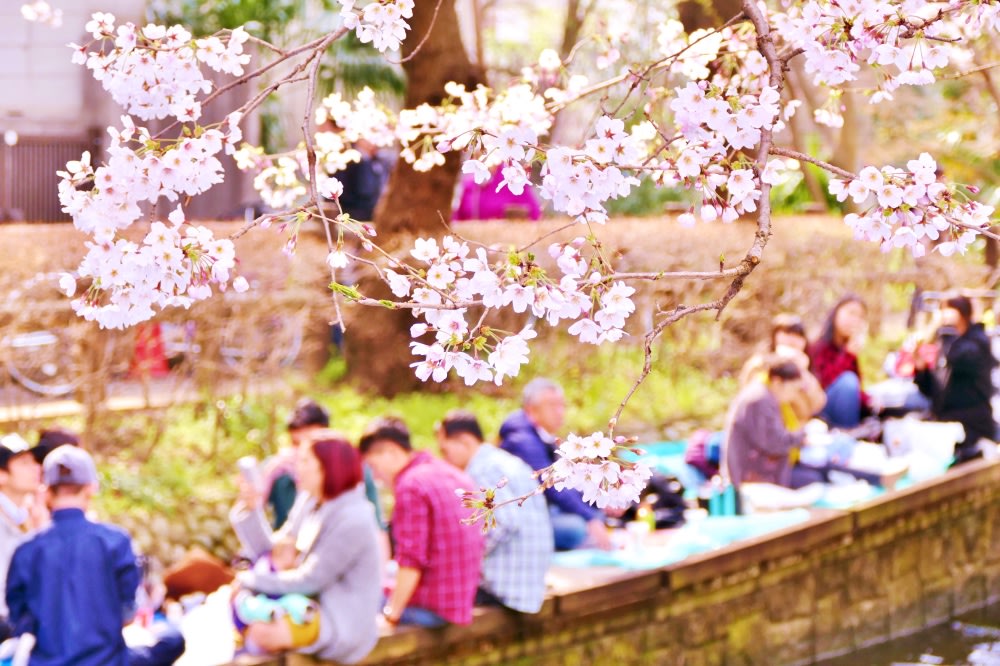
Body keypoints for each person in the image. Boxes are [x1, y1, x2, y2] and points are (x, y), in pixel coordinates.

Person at [5, 445, 185, 666]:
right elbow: (128, 613)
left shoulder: (27, 550)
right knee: (172, 638)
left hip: (47, 662)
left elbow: (19, 619)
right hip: (107, 660)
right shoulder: (115, 541)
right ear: (91, 488)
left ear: (47, 492)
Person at [230, 434, 381, 663]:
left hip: (338, 618)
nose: (297, 467)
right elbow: (274, 550)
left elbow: (311, 580)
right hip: (301, 602)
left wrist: (249, 580)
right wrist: (251, 509)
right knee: (239, 607)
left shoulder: (354, 518)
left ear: (328, 467)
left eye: (305, 461)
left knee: (262, 633)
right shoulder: (310, 501)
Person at [359, 417, 485, 627]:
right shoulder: (450, 472)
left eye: (373, 466)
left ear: (391, 451)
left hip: (434, 609)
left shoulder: (410, 486)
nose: (375, 476)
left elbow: (411, 560)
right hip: (462, 601)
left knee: (357, 596)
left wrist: (391, 615)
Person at [435, 410, 552, 614]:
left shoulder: (481, 469)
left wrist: (464, 555)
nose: (445, 459)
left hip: (504, 588)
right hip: (528, 585)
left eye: (445, 451)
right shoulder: (502, 461)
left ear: (465, 441)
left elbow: (504, 523)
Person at [499, 379, 610, 551]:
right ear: (532, 409)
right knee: (576, 528)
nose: (560, 412)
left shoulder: (541, 436)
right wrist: (590, 518)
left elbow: (564, 483)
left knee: (596, 515)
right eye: (552, 405)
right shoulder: (523, 440)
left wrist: (595, 505)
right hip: (524, 516)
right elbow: (552, 486)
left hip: (544, 508)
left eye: (562, 405)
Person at [264, 399, 383, 531]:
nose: (302, 451)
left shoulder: (355, 471)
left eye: (312, 444)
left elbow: (376, 525)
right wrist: (267, 475)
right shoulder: (279, 469)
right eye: (296, 444)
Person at [914, 295, 997, 465]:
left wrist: (944, 329)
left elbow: (959, 358)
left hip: (972, 424)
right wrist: (922, 370)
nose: (943, 316)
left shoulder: (977, 341)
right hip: (948, 422)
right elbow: (936, 391)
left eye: (948, 311)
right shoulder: (950, 342)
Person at [723, 360, 808, 488]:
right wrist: (803, 437)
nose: (794, 395)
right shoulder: (760, 399)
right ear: (777, 382)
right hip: (750, 479)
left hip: (758, 472)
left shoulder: (764, 393)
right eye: (793, 389)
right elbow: (774, 443)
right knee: (814, 480)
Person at [739, 313, 827, 429]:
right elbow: (751, 396)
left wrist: (803, 373)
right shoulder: (759, 364)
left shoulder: (804, 367)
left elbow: (818, 404)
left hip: (796, 429)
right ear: (774, 337)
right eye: (786, 333)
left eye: (798, 336)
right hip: (764, 427)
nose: (792, 340)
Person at [0, 434, 45, 644]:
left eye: (35, 462)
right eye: (24, 463)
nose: (36, 468)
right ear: (2, 474)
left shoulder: (29, 517)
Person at [809, 295, 871, 428]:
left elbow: (855, 389)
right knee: (848, 381)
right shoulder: (819, 346)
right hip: (820, 411)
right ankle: (849, 433)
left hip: (841, 407)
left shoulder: (846, 346)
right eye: (851, 313)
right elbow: (826, 383)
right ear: (836, 313)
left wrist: (869, 401)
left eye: (860, 317)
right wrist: (848, 355)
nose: (855, 320)